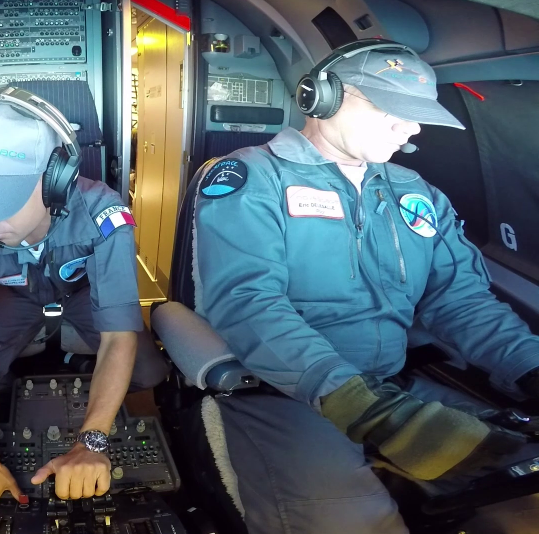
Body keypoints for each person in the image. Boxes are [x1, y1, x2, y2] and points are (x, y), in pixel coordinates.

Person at [192, 39, 539, 533]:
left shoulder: (416, 192)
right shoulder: (252, 178)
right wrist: (361, 406)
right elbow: (249, 305)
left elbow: (459, 300)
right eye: (389, 108)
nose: (412, 127)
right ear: (321, 97)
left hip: (392, 387)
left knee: (516, 498)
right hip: (287, 394)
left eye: (419, 113)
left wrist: (529, 368)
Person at [0, 87, 169, 512]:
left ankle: (76, 363)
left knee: (147, 371)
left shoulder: (104, 215)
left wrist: (91, 441)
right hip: (16, 297)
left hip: (82, 295)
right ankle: (70, 365)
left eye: (0, 200)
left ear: (57, 180)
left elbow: (118, 336)